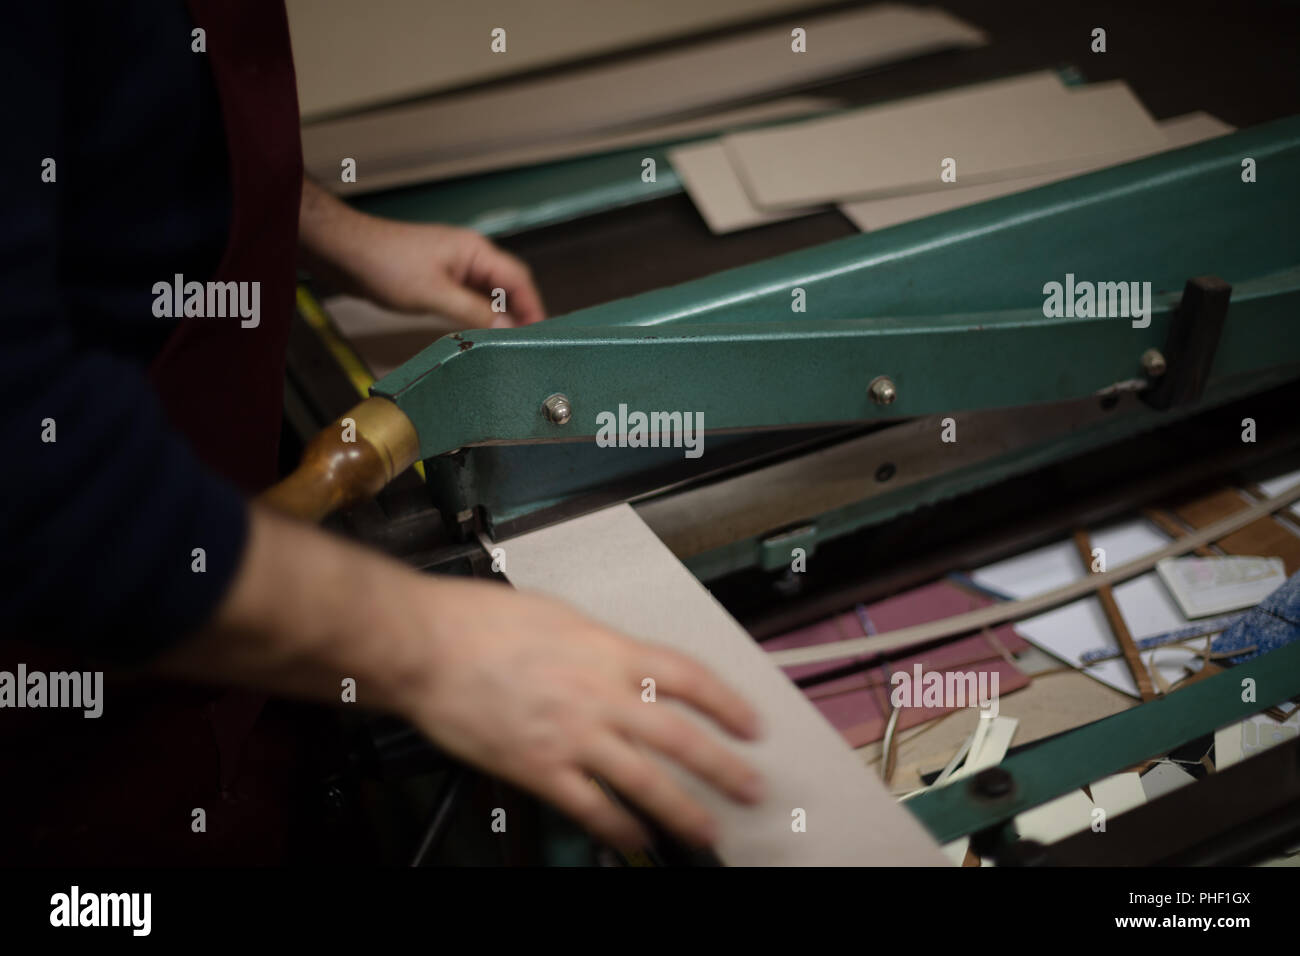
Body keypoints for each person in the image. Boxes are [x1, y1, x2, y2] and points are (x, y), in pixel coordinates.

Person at [0, 1, 761, 864]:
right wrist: (425, 642)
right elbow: (27, 470)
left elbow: (131, 105)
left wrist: (328, 231)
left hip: (210, 660)